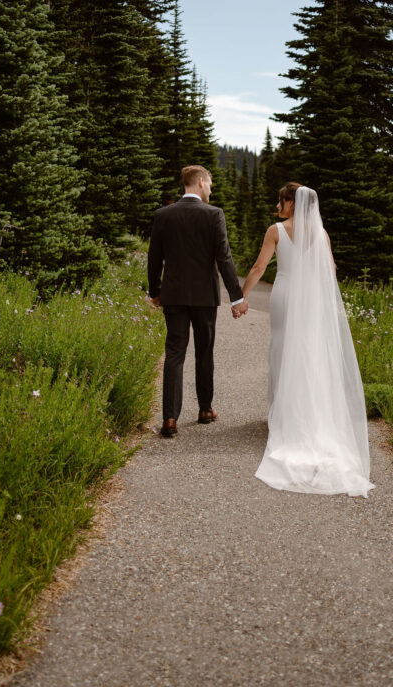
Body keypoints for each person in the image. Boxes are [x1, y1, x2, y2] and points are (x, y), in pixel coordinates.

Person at [241, 183, 374, 496]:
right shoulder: (321, 233)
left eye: (281, 200)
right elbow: (329, 270)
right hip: (312, 298)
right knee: (310, 354)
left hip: (285, 296)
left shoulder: (276, 230)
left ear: (290, 202)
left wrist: (241, 295)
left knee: (281, 349)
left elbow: (260, 266)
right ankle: (308, 414)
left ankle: (282, 414)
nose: (278, 205)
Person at [147, 164, 248, 438]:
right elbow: (224, 259)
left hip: (174, 296)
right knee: (205, 351)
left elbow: (154, 257)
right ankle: (205, 409)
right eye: (210, 185)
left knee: (175, 353)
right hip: (205, 297)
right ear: (200, 182)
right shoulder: (214, 214)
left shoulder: (163, 215)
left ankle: (169, 419)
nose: (211, 190)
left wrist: (154, 291)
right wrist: (235, 297)